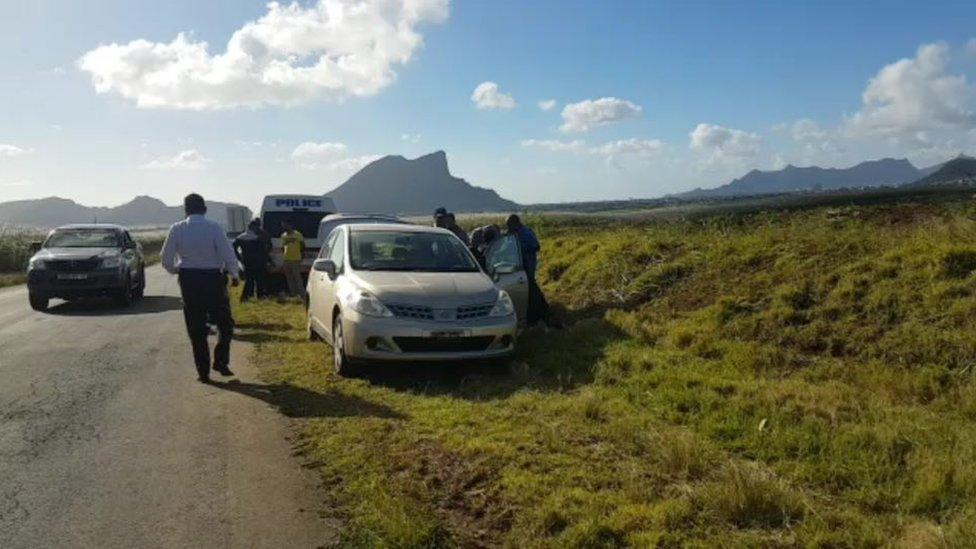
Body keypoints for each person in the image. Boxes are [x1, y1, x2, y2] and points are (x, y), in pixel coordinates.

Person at [161, 193, 240, 383]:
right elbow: (228, 253)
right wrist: (235, 274)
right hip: (213, 278)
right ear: (204, 209)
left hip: (189, 280)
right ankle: (220, 361)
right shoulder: (214, 228)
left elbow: (165, 259)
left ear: (185, 210)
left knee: (196, 327)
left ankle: (203, 372)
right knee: (225, 323)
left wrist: (178, 270)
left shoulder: (177, 229)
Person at [506, 214, 550, 326]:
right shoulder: (513, 234)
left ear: (516, 223)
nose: (508, 228)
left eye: (509, 225)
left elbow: (536, 246)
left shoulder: (526, 232)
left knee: (532, 290)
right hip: (520, 267)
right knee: (530, 290)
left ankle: (539, 315)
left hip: (528, 265)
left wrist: (519, 246)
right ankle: (541, 312)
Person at [234, 219, 271, 301]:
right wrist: (270, 261)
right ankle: (260, 296)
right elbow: (263, 251)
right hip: (257, 262)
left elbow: (233, 248)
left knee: (249, 280)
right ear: (254, 227)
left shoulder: (240, 237)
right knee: (259, 280)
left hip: (246, 261)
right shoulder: (257, 238)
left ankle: (245, 297)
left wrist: (239, 258)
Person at [280, 220, 305, 297]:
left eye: (286, 225)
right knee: (289, 278)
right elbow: (282, 247)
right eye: (283, 225)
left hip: (296, 258)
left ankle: (302, 294)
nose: (284, 227)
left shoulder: (297, 234)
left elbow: (302, 245)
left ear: (290, 225)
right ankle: (293, 293)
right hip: (286, 259)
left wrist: (301, 255)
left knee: (297, 277)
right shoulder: (283, 236)